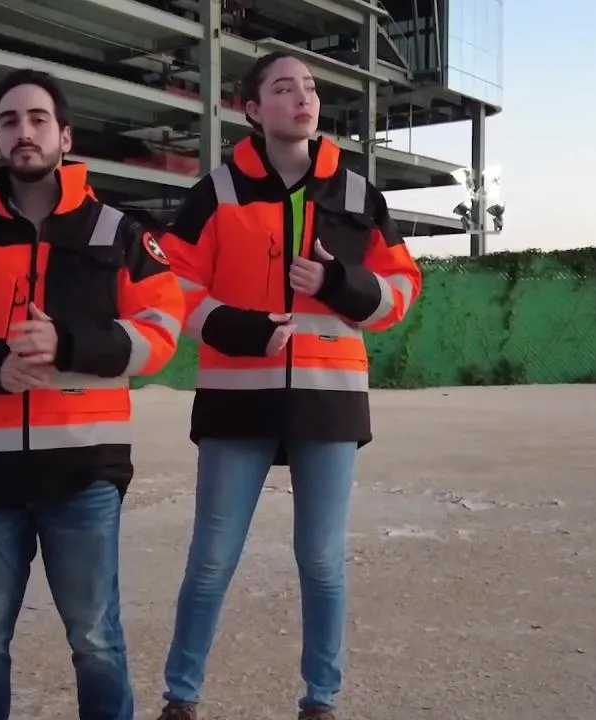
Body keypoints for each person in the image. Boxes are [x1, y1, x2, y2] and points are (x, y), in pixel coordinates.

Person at [0, 68, 185, 720]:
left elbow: (163, 328)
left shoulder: (118, 234)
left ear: (65, 136)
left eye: (38, 119)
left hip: (84, 473)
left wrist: (69, 344)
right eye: (9, 121)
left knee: (96, 638)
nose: (24, 131)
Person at [153, 52, 423, 720]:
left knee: (322, 561)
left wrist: (340, 284)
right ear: (252, 109)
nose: (302, 98)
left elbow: (401, 290)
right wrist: (234, 327)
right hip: (235, 398)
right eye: (283, 88)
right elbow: (170, 284)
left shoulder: (358, 195)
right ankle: (181, 698)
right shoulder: (216, 192)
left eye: (309, 88)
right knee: (211, 559)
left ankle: (320, 701)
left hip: (330, 400)